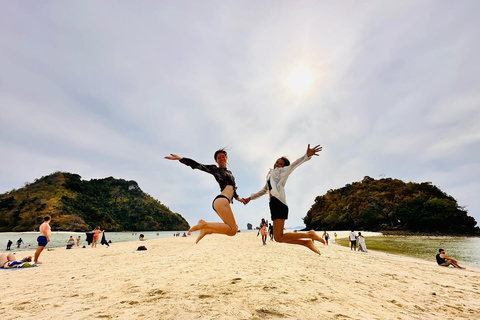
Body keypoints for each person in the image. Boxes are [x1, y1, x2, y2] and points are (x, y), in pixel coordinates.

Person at [243, 144, 325, 255]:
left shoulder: (282, 172)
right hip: (274, 205)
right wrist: (249, 198)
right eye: (277, 162)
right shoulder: (270, 176)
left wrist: (306, 156)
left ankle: (309, 235)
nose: (277, 164)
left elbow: (293, 165)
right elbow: (263, 191)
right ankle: (307, 243)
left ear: (284, 166)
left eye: (280, 163)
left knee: (279, 237)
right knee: (278, 238)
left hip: (278, 204)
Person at [165, 148, 244, 244]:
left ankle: (207, 230)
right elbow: (198, 165)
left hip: (221, 202)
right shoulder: (215, 170)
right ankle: (204, 224)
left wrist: (238, 198)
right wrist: (180, 159)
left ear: (226, 158)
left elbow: (233, 188)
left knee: (232, 231)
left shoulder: (230, 173)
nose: (221, 158)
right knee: (233, 229)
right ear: (216, 160)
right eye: (219, 157)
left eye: (223, 156)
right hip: (222, 201)